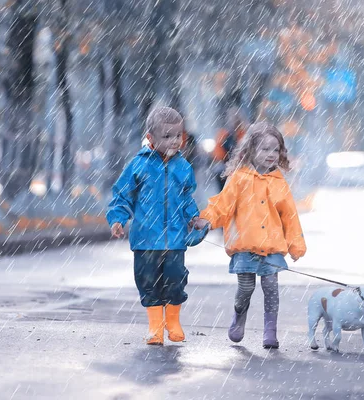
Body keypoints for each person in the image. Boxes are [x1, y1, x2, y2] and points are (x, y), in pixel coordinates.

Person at [193, 122, 306, 349]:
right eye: (265, 149)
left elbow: (290, 216)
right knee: (245, 288)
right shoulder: (239, 178)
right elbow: (222, 205)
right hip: (244, 246)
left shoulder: (279, 183)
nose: (271, 154)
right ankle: (239, 316)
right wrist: (207, 218)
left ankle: (270, 331)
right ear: (250, 151)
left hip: (272, 248)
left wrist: (295, 245)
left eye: (275, 150)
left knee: (271, 289)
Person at [106, 107, 206, 346]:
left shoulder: (183, 167)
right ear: (150, 138)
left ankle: (173, 320)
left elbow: (186, 198)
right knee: (147, 280)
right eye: (167, 136)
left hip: (174, 238)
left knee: (175, 278)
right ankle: (155, 326)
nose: (175, 141)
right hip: (145, 238)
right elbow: (123, 195)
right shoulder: (138, 165)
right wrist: (118, 218)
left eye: (178, 135)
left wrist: (194, 217)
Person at [212, 108, 245, 191]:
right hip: (227, 165)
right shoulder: (223, 134)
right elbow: (218, 153)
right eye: (231, 119)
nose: (233, 122)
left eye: (235, 119)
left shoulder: (243, 134)